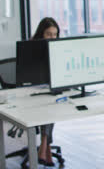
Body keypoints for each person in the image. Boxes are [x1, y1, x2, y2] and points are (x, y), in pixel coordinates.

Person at [31, 17, 60, 166]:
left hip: (50, 88)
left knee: (51, 105)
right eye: (48, 34)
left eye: (54, 34)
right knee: (49, 106)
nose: (52, 38)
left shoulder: (57, 48)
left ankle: (45, 145)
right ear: (41, 33)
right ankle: (45, 145)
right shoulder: (31, 48)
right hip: (31, 91)